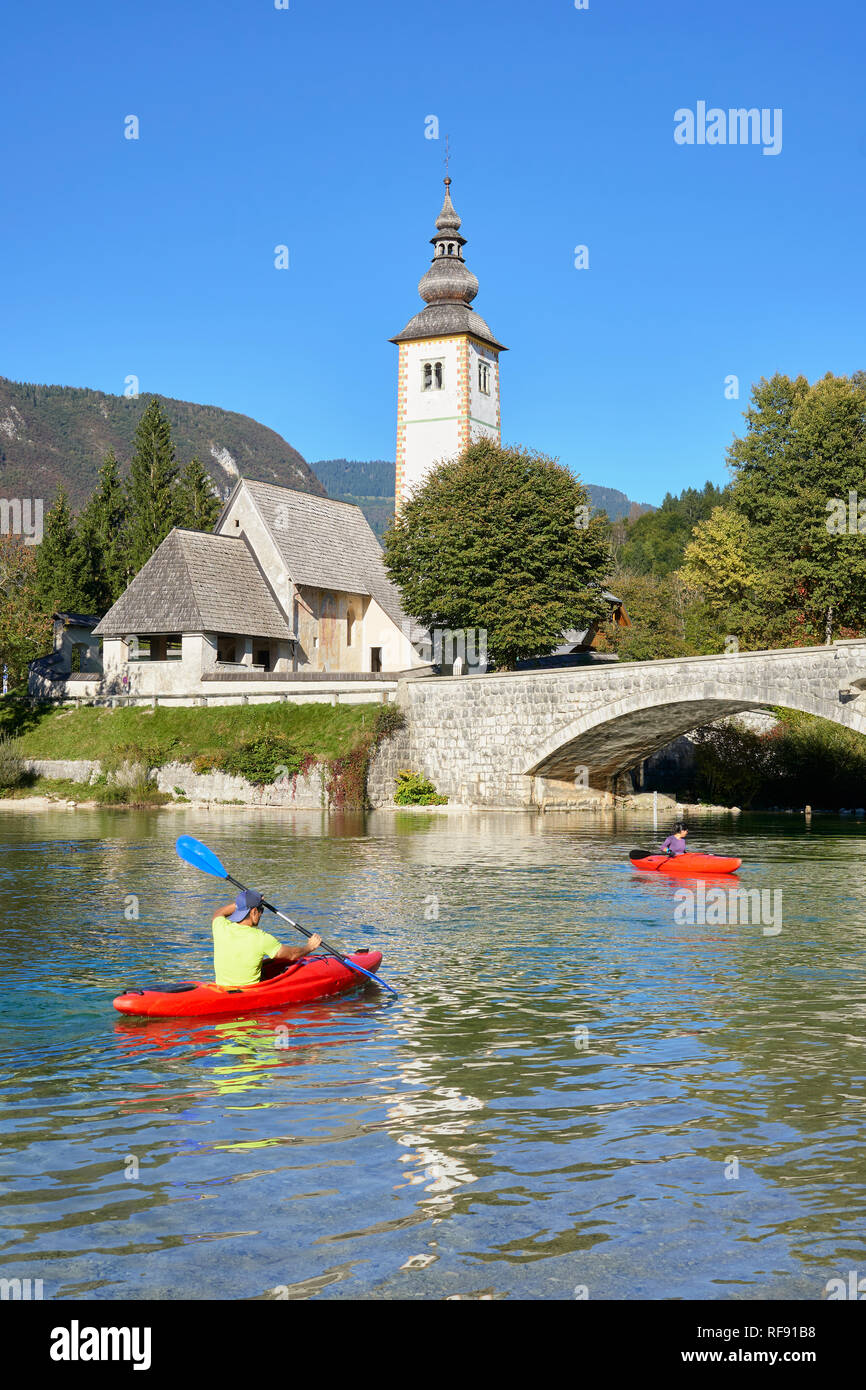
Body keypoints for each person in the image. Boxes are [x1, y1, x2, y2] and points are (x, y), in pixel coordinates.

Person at [212, 889, 322, 988]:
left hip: (222, 988)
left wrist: (242, 904)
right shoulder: (261, 938)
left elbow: (219, 913)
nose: (261, 914)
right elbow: (292, 955)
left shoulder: (220, 927)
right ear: (254, 911)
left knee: (266, 965)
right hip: (249, 992)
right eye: (261, 910)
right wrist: (310, 947)